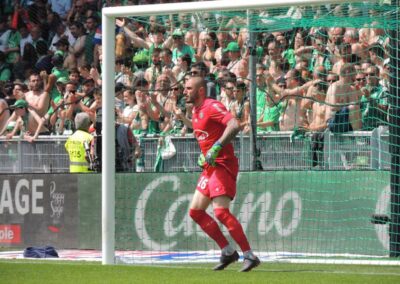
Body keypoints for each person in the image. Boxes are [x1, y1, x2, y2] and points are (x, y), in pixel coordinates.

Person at [175, 77, 260, 272]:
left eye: (189, 88)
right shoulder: (196, 111)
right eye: (185, 88)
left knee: (220, 212)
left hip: (223, 165)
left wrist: (216, 148)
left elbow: (234, 125)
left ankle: (249, 255)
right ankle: (228, 252)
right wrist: (204, 155)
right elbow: (207, 135)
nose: (185, 91)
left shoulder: (211, 106)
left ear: (201, 90)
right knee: (195, 212)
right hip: (210, 167)